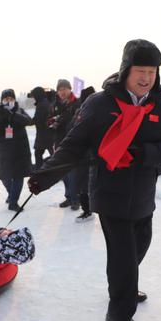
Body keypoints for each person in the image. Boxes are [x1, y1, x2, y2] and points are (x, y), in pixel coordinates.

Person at [28, 39, 161, 321]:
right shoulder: (100, 103)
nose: (146, 78)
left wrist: (145, 154)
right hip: (109, 192)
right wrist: (45, 175)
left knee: (140, 246)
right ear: (126, 70)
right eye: (140, 70)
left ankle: (124, 283)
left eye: (152, 72)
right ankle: (119, 311)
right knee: (123, 255)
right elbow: (73, 145)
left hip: (143, 193)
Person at [0, 89, 33, 212]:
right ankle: (12, 194)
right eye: (6, 99)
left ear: (14, 100)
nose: (8, 101)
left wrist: (13, 115)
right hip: (5, 150)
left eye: (11, 99)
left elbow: (29, 121)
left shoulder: (19, 110)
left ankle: (13, 202)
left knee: (18, 176)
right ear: (2, 101)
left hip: (20, 149)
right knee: (5, 176)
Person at [49, 79, 81, 210]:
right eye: (59, 89)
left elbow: (79, 121)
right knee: (63, 172)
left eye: (64, 89)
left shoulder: (77, 103)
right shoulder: (54, 104)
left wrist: (61, 119)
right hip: (59, 141)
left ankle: (76, 199)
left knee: (74, 172)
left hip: (74, 142)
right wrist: (52, 122)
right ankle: (68, 196)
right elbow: (48, 120)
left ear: (70, 89)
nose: (62, 92)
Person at [72, 86, 96, 223]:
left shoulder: (98, 112)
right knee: (81, 183)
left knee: (87, 184)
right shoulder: (80, 112)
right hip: (80, 154)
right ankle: (86, 209)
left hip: (90, 155)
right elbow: (72, 129)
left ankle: (88, 211)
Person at [29, 86, 55, 169]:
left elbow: (36, 120)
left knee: (38, 154)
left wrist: (24, 119)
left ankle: (40, 170)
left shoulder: (41, 105)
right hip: (49, 133)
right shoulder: (48, 102)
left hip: (43, 134)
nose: (34, 99)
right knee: (52, 153)